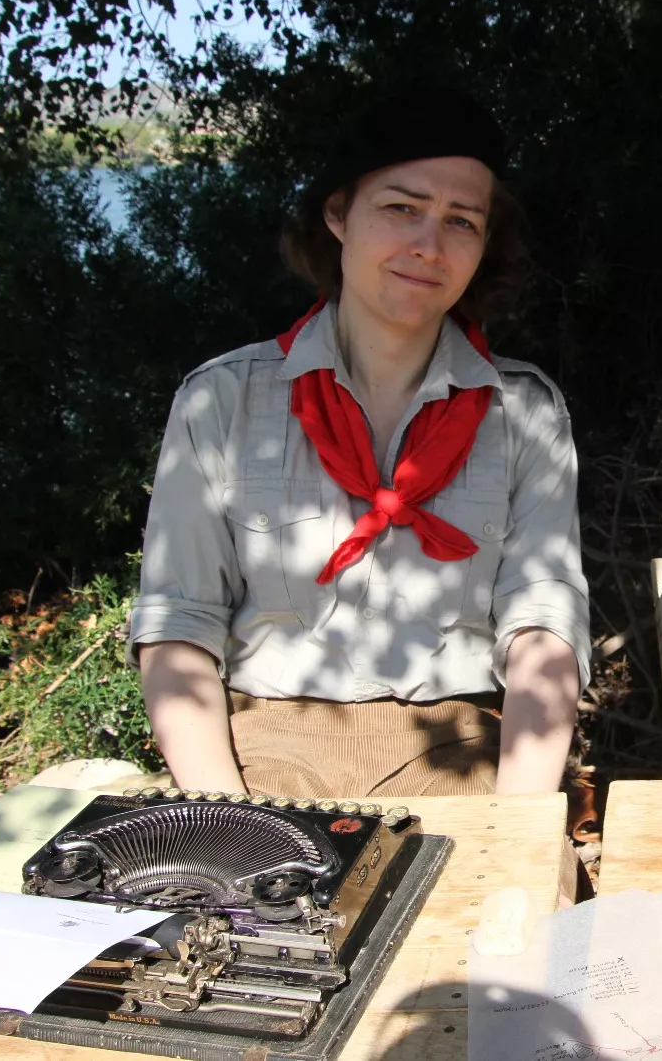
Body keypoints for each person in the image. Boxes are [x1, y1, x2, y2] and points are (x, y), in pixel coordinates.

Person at [128, 88, 590, 798]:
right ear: (339, 214)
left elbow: (543, 625)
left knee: (520, 910)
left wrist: (516, 825)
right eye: (401, 208)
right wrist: (225, 813)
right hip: (261, 757)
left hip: (462, 753)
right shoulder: (222, 400)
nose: (428, 247)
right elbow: (179, 627)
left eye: (461, 221)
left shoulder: (524, 412)